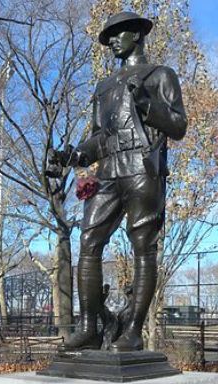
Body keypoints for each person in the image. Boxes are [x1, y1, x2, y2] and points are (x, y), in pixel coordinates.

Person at [50, 11, 187, 351]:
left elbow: (179, 126)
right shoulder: (104, 86)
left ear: (137, 35)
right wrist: (74, 156)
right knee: (89, 242)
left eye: (117, 33)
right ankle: (90, 327)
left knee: (144, 247)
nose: (111, 40)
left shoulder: (160, 75)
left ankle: (133, 332)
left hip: (143, 167)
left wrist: (148, 104)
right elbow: (98, 138)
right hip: (109, 171)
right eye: (108, 35)